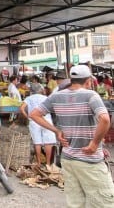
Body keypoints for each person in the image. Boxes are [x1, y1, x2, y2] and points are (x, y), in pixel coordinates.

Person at [30, 65, 114, 207]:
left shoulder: (56, 96)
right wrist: (94, 143)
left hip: (68, 159)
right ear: (88, 81)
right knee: (103, 203)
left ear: (71, 79)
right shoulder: (91, 95)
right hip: (89, 160)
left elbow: (34, 114)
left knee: (76, 203)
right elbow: (105, 119)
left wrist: (56, 131)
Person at [19, 83, 57, 171]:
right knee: (48, 142)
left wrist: (28, 116)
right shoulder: (46, 98)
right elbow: (52, 108)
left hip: (34, 121)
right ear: (40, 90)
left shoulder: (29, 98)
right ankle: (48, 164)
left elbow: (21, 108)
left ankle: (39, 163)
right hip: (46, 121)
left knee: (37, 142)